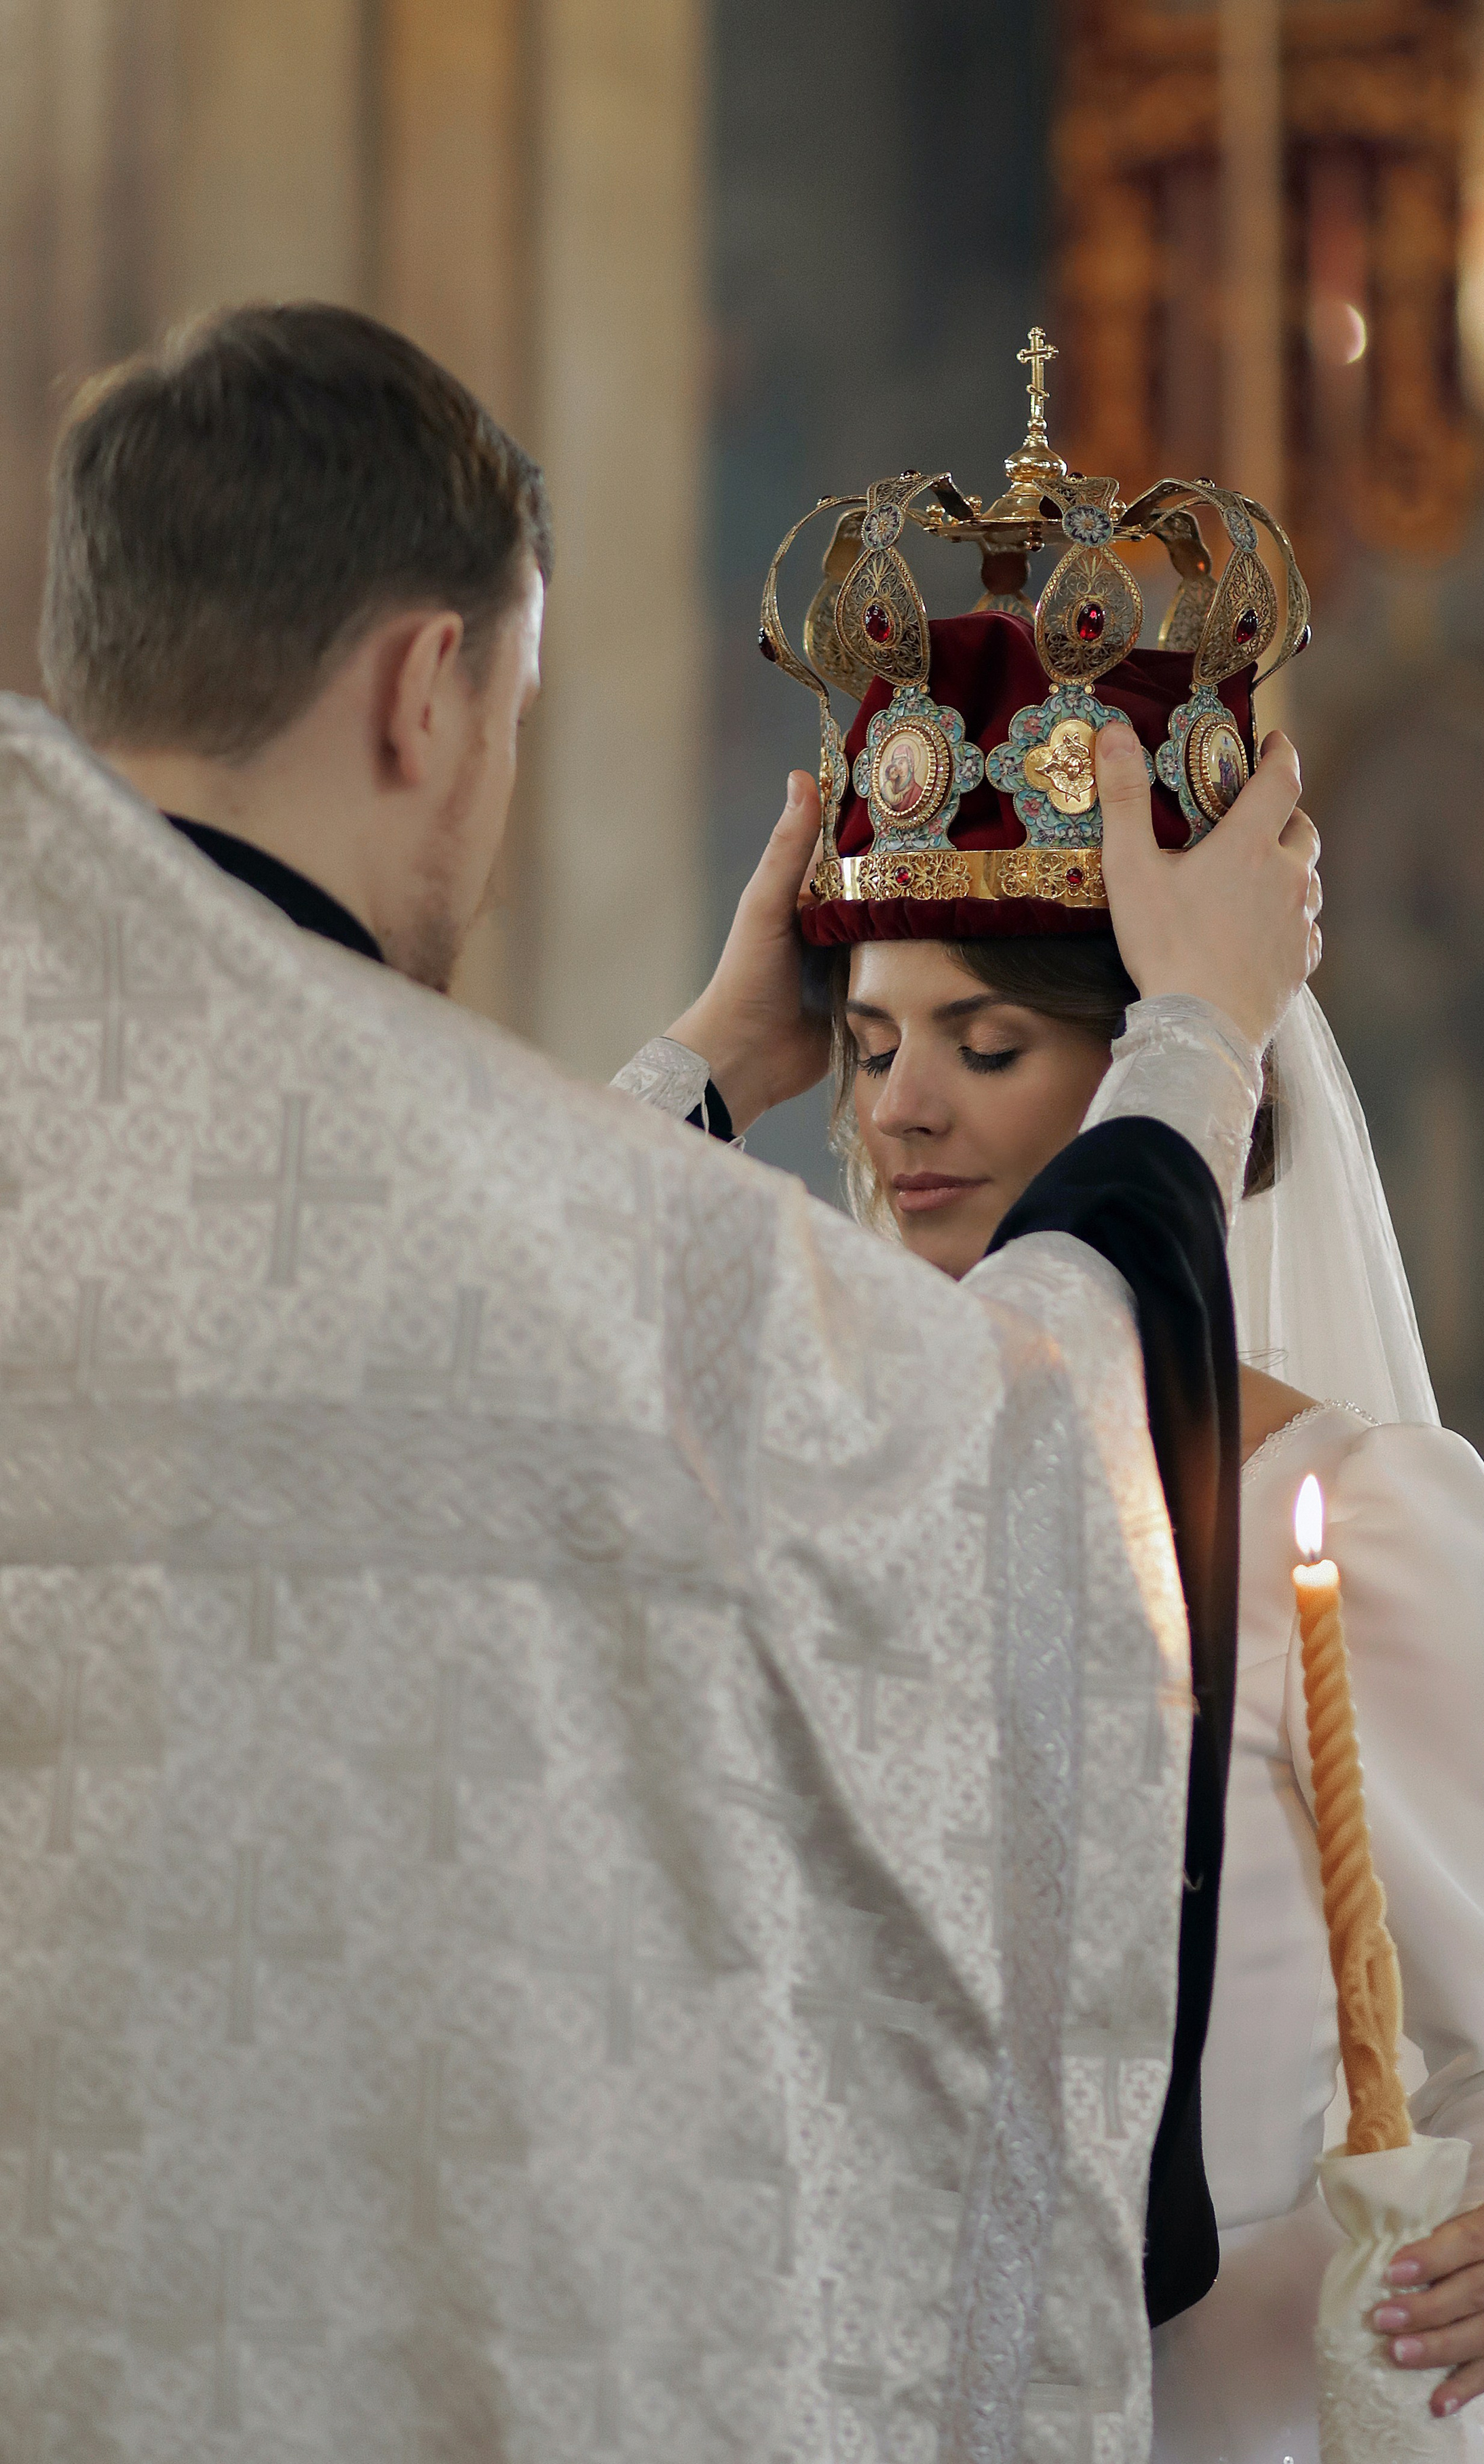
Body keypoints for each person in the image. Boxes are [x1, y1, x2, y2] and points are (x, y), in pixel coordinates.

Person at [0, 303, 1314, 2457]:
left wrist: (701, 1077)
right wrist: (1192, 1046)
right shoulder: (549, 1245)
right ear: (431, 692)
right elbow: (1007, 1477)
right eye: (514, 711)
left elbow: (473, 1299)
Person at [629, 605, 1484, 2463]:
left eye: (985, 1043)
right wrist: (717, 1050)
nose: (900, 1107)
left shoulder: (1351, 1516)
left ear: (1148, 1085)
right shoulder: (843, 1471)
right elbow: (581, 1377)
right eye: (861, 1045)